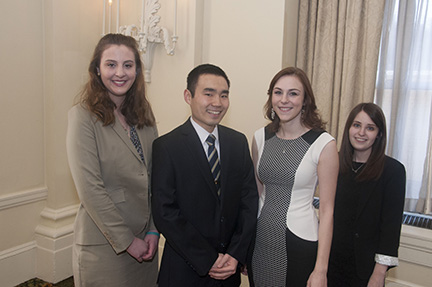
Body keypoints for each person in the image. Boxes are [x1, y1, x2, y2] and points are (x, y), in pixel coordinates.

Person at [151, 63, 258, 286]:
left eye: (224, 95)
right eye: (208, 94)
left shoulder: (237, 142)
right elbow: (165, 212)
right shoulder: (167, 146)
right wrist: (207, 259)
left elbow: (249, 201)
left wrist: (236, 254)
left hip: (229, 270)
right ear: (188, 96)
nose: (217, 103)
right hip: (185, 269)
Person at [66, 33, 159, 287]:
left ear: (137, 70)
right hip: (107, 246)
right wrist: (128, 242)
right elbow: (90, 190)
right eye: (111, 64)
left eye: (128, 65)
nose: (120, 73)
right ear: (97, 69)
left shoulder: (144, 113)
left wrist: (153, 230)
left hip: (147, 244)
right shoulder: (82, 117)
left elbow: (155, 177)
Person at [248, 67, 339, 287]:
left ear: (305, 100)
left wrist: (320, 270)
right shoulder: (260, 138)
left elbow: (327, 211)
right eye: (278, 92)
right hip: (259, 240)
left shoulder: (324, 144)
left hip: (299, 243)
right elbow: (255, 196)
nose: (284, 100)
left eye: (293, 93)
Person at [327, 103, 406, 287]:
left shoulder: (393, 171)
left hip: (366, 270)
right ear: (348, 128)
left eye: (370, 128)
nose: (361, 133)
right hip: (331, 263)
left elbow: (390, 228)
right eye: (356, 125)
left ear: (378, 134)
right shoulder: (334, 163)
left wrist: (379, 274)